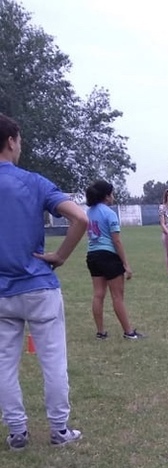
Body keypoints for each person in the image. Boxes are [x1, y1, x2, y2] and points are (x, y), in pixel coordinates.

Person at [0, 113, 87, 450]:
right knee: (52, 360)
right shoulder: (33, 181)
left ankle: (17, 433)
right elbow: (79, 217)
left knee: (4, 363)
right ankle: (59, 429)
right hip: (37, 286)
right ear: (11, 141)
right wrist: (60, 255)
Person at [85, 180, 146, 340]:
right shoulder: (109, 213)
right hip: (109, 256)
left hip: (92, 255)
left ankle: (100, 332)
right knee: (117, 296)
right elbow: (116, 241)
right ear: (106, 196)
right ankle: (129, 332)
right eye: (112, 193)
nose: (113, 196)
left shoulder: (89, 212)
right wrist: (126, 264)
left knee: (98, 294)